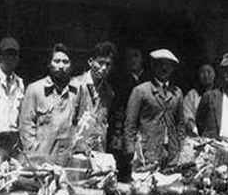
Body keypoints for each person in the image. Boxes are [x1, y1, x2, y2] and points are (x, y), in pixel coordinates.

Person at [18, 43, 87, 166]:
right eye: (57, 61)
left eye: (65, 62)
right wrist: (34, 153)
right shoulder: (35, 89)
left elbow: (81, 123)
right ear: (49, 64)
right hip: (40, 160)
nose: (61, 66)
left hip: (67, 160)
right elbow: (26, 126)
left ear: (71, 65)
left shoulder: (78, 90)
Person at [124, 49, 185, 170]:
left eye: (168, 65)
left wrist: (181, 149)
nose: (164, 68)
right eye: (160, 64)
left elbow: (180, 124)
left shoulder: (177, 93)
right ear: (153, 66)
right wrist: (131, 150)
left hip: (171, 154)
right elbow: (130, 124)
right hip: (147, 153)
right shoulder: (141, 91)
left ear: (172, 68)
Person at [70, 41, 117, 153]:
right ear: (91, 62)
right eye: (100, 63)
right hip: (76, 148)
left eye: (108, 64)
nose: (104, 68)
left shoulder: (109, 92)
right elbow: (69, 121)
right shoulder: (76, 85)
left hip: (99, 149)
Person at [111, 47, 147, 177]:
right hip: (124, 130)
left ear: (142, 59)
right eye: (129, 57)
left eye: (136, 56)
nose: (133, 60)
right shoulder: (120, 81)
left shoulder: (148, 80)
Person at [182, 63, 216, 136]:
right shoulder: (192, 95)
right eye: (202, 72)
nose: (206, 75)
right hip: (196, 135)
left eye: (209, 72)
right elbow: (187, 115)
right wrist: (194, 130)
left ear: (214, 74)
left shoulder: (220, 94)